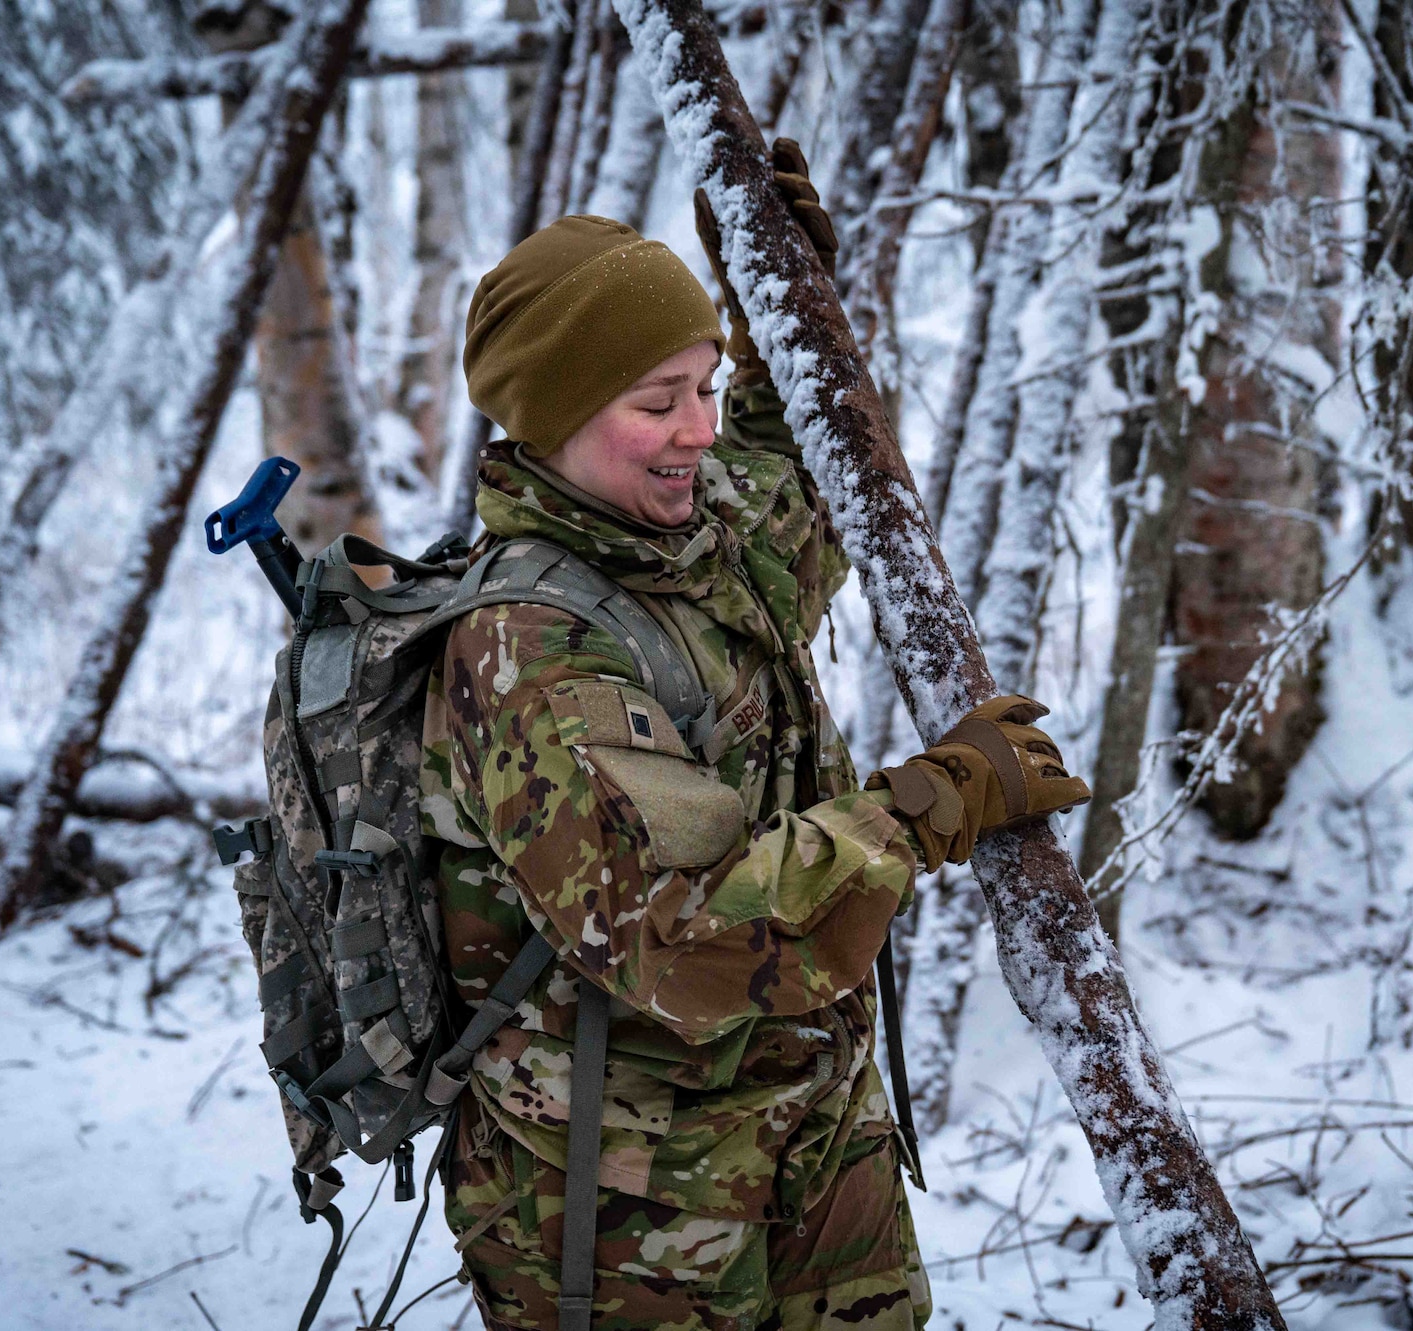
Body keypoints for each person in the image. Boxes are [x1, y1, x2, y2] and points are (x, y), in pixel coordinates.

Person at [420, 142, 1090, 1331]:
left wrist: (779, 307)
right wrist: (922, 807)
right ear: (554, 413)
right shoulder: (531, 655)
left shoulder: (689, 527)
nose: (696, 430)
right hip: (637, 1215)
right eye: (654, 401)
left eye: (706, 387)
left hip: (810, 1140)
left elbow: (803, 480)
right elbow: (676, 936)